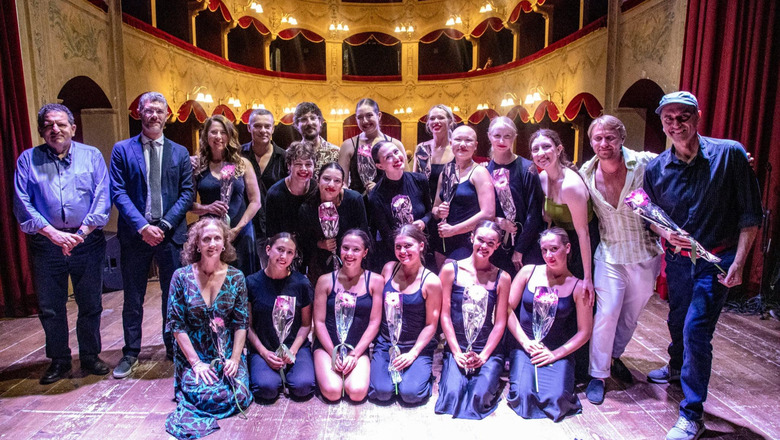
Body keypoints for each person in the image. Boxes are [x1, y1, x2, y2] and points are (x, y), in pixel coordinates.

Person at [643, 92, 762, 440]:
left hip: (717, 261)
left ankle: (692, 414)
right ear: (662, 122)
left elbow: (750, 214)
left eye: (683, 117)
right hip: (679, 263)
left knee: (696, 330)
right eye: (669, 118)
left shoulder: (731, 155)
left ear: (697, 118)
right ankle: (677, 367)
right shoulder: (655, 168)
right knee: (678, 321)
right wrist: (664, 230)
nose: (676, 124)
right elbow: (648, 215)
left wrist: (739, 262)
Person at [13, 103, 111, 384]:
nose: (55, 129)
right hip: (46, 244)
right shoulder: (27, 160)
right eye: (48, 125)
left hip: (87, 241)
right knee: (51, 307)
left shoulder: (91, 156)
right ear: (42, 131)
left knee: (90, 303)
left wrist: (80, 233)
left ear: (73, 128)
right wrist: (54, 235)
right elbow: (22, 202)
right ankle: (59, 360)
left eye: (60, 124)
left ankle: (90, 356)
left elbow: (102, 197)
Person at [578, 115, 664, 405]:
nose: (604, 144)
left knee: (629, 316)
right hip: (610, 253)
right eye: (598, 138)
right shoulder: (585, 173)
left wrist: (732, 163)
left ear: (622, 138)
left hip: (645, 253)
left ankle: (614, 357)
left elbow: (682, 162)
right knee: (607, 314)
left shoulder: (645, 162)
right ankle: (598, 375)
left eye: (610, 137)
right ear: (591, 141)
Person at [110, 91, 195, 378]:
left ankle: (173, 348)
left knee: (173, 295)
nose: (154, 115)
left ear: (167, 116)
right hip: (136, 235)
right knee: (133, 296)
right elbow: (118, 192)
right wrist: (143, 226)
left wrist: (164, 226)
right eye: (149, 110)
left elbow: (186, 194)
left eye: (160, 110)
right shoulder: (122, 150)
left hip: (170, 235)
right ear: (139, 113)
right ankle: (131, 352)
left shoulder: (180, 152)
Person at [164, 218, 252, 439]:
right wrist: (196, 364)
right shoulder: (181, 277)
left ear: (224, 244)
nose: (212, 244)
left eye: (217, 238)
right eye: (206, 239)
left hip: (225, 351)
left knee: (238, 393)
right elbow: (176, 325)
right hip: (195, 355)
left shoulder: (236, 277)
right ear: (197, 244)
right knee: (206, 395)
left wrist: (234, 359)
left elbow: (241, 323)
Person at [506, 227, 592, 422]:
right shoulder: (528, 271)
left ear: (568, 248)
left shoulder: (578, 286)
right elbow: (507, 308)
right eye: (544, 250)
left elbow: (584, 332)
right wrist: (525, 343)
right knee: (523, 397)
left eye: (554, 249)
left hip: (556, 349)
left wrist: (555, 354)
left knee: (557, 400)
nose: (548, 255)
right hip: (525, 346)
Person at [435, 220, 510, 419]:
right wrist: (456, 352)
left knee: (478, 399)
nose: (484, 246)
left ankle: (489, 372)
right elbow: (445, 314)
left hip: (487, 348)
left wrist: (484, 356)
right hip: (457, 346)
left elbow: (500, 322)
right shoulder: (451, 270)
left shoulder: (502, 278)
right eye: (480, 240)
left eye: (490, 243)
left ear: (497, 246)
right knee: (451, 397)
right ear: (472, 238)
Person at [369, 225, 442, 404]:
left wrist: (413, 354)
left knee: (410, 394)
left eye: (408, 245)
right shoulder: (388, 269)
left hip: (415, 345)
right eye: (398, 246)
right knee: (382, 392)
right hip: (387, 342)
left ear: (421, 246)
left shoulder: (431, 281)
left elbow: (431, 324)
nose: (403, 251)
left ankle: (422, 374)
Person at [312, 230, 384, 402]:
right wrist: (333, 353)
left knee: (358, 393)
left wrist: (356, 354)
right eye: (345, 248)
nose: (349, 254)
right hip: (327, 347)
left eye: (356, 249)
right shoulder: (325, 280)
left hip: (356, 348)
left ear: (365, 252)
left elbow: (375, 322)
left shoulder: (375, 281)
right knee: (332, 392)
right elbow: (319, 322)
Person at [245, 233, 316, 401]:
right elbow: (247, 325)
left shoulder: (301, 284)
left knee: (303, 386)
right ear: (268, 250)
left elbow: (306, 325)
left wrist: (293, 350)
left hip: (294, 347)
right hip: (264, 347)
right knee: (266, 389)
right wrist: (263, 352)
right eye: (280, 250)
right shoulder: (251, 282)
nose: (284, 256)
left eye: (290, 252)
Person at [191, 115, 261, 276]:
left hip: (241, 231)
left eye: (222, 132)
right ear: (206, 136)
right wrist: (206, 207)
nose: (218, 137)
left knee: (242, 279)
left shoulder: (243, 163)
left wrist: (237, 229)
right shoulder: (198, 166)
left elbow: (255, 201)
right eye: (213, 132)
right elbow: (189, 203)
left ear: (229, 136)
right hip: (210, 234)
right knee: (212, 277)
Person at [485, 116, 545, 276]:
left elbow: (534, 213)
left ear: (514, 137)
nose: (502, 140)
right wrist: (497, 220)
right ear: (489, 136)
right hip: (495, 244)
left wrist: (519, 250)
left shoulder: (528, 169)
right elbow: (482, 208)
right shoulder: (484, 171)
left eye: (507, 136)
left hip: (525, 243)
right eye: (497, 135)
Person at [432, 125, 495, 266]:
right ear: (450, 143)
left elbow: (488, 213)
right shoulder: (446, 172)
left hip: (467, 240)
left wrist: (454, 230)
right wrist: (438, 211)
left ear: (475, 146)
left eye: (468, 140)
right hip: (443, 239)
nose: (462, 144)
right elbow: (435, 208)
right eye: (458, 140)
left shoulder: (479, 173)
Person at [366, 141, 432, 270]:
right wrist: (406, 252)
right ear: (380, 166)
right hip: (396, 255)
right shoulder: (376, 196)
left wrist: (424, 222)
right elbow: (387, 235)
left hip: (423, 250)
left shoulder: (420, 180)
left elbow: (430, 213)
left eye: (396, 152)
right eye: (388, 157)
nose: (396, 158)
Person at [297, 162, 368, 282]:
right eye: (326, 179)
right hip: (320, 263)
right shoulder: (307, 207)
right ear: (317, 180)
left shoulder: (354, 200)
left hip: (351, 258)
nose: (331, 184)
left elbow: (364, 233)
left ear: (342, 184)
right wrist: (320, 244)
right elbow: (303, 242)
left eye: (337, 181)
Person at [240, 108, 288, 253]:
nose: (263, 130)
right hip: (245, 226)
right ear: (249, 127)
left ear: (273, 129)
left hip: (276, 227)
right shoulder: (237, 155)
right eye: (257, 126)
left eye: (267, 126)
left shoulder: (284, 157)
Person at [338, 98, 404, 194]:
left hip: (389, 202)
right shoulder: (348, 145)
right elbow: (341, 182)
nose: (364, 121)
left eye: (369, 115)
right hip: (359, 205)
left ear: (379, 115)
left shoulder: (396, 144)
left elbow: (405, 179)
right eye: (360, 117)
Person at [265, 141, 316, 238]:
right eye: (298, 164)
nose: (303, 169)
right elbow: (272, 234)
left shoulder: (317, 189)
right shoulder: (275, 193)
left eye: (308, 164)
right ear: (289, 166)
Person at [411, 104, 456, 198]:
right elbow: (414, 181)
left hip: (448, 205)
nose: (436, 121)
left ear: (450, 121)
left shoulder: (456, 148)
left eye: (441, 118)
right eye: (432, 118)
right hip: (424, 204)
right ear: (428, 123)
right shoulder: (421, 148)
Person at [293, 102, 340, 178]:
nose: (309, 123)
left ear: (320, 122)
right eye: (304, 119)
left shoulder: (336, 153)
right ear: (297, 125)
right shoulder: (291, 154)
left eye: (313, 118)